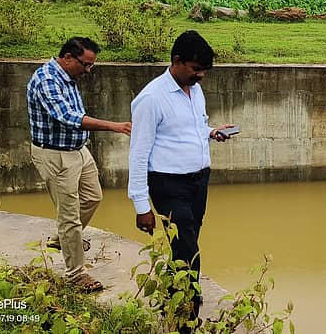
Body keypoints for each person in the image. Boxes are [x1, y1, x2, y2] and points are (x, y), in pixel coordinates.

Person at [128, 30, 235, 322]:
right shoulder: (151, 99)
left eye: (204, 71)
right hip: (168, 183)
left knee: (186, 241)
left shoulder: (194, 90)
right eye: (196, 69)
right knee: (188, 247)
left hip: (198, 180)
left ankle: (176, 294)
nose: (201, 76)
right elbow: (138, 153)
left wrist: (212, 132)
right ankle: (186, 312)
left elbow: (193, 126)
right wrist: (141, 206)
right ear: (176, 61)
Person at [27, 37, 132, 292]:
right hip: (56, 155)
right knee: (70, 217)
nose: (87, 71)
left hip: (78, 151)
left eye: (91, 66)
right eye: (85, 65)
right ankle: (76, 275)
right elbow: (67, 117)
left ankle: (61, 240)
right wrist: (113, 126)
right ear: (67, 58)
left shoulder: (68, 77)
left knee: (93, 197)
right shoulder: (47, 80)